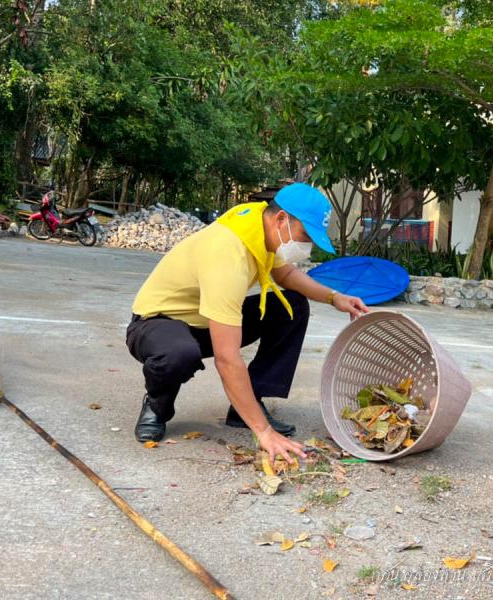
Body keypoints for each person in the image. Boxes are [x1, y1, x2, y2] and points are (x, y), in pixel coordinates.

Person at [126, 183, 369, 463]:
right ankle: (157, 407)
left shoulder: (260, 223)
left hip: (204, 319)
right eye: (306, 236)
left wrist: (333, 297)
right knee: (179, 353)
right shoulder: (228, 256)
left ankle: (247, 405)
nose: (308, 246)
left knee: (292, 307)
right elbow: (227, 358)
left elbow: (285, 275)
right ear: (281, 220)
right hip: (157, 323)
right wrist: (264, 433)